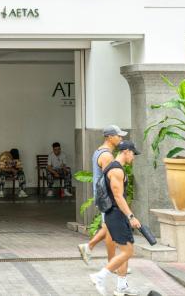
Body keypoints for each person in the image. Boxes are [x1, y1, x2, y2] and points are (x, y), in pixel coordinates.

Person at [90, 141, 141, 296]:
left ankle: (121, 287)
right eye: (133, 153)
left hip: (117, 214)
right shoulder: (116, 170)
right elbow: (118, 196)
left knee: (127, 249)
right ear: (126, 151)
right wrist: (131, 216)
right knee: (127, 251)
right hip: (116, 214)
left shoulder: (115, 167)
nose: (134, 157)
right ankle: (99, 277)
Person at [78, 125, 126, 264]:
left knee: (108, 227)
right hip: (107, 198)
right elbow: (110, 178)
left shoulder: (99, 151)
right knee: (111, 230)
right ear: (110, 137)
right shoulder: (106, 155)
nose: (121, 138)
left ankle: (88, 247)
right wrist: (117, 198)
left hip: (102, 196)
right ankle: (112, 264)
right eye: (118, 136)